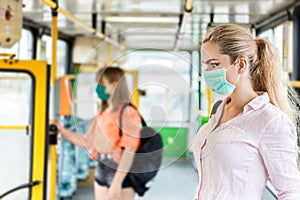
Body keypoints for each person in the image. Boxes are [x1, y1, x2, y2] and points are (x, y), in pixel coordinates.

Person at [193, 23, 300, 200]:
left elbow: (291, 191)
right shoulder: (220, 109)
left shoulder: (270, 120)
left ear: (241, 65)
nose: (207, 73)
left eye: (214, 64)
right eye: (205, 65)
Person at [55, 67, 143, 200]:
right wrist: (61, 129)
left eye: (101, 84)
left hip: (120, 173)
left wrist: (117, 183)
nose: (98, 88)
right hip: (101, 169)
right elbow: (87, 141)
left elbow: (130, 150)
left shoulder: (127, 112)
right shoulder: (102, 113)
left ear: (114, 85)